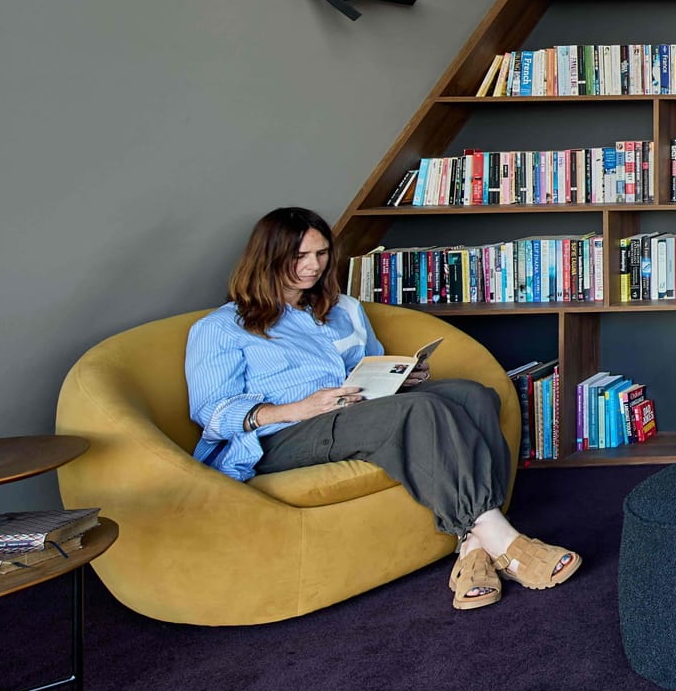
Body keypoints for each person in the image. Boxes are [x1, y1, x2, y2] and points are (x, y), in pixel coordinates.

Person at [186, 207, 579, 610]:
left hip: (352, 412)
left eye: (321, 254)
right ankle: (507, 544)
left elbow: (368, 368)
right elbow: (211, 413)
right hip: (281, 435)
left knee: (473, 395)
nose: (313, 267)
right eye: (299, 256)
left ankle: (473, 550)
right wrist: (295, 409)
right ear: (267, 257)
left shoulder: (342, 310)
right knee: (417, 413)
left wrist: (402, 378)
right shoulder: (222, 327)